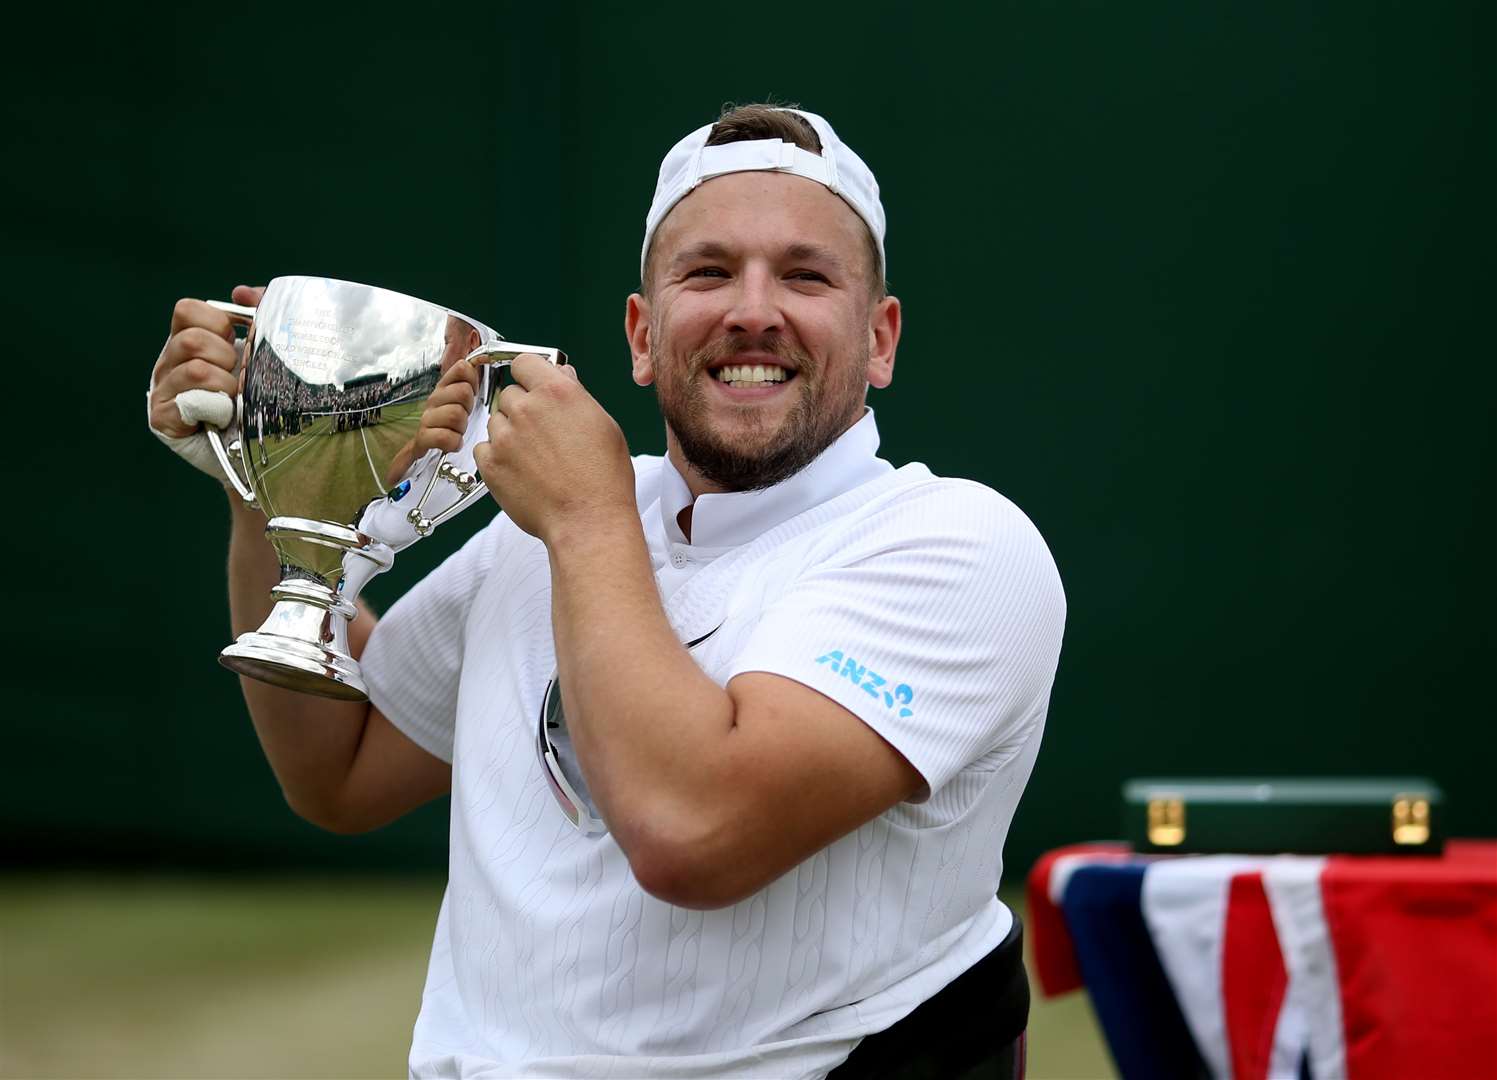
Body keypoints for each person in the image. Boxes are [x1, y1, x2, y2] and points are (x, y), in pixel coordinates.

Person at [147, 104, 1066, 1078]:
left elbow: (693, 834)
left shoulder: (960, 545)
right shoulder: (560, 513)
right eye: (708, 272)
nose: (753, 310)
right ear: (641, 331)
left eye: (805, 274)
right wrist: (272, 486)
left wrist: (586, 520)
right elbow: (339, 770)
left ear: (880, 339)